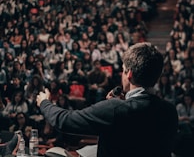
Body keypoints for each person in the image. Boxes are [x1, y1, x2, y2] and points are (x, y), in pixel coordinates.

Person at [36, 42, 178, 157]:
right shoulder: (170, 110)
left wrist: (44, 102)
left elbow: (65, 121)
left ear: (129, 74)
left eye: (123, 70)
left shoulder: (115, 109)